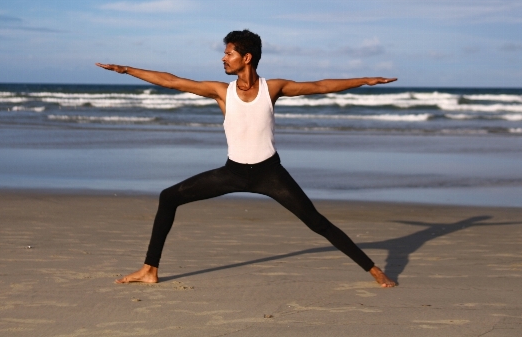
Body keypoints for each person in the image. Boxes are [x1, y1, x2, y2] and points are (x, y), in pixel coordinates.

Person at [96, 29, 398, 287]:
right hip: (233, 172)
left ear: (246, 57)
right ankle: (150, 270)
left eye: (228, 54)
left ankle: (374, 270)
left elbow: (320, 86)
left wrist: (364, 80)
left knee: (317, 222)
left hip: (271, 174)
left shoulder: (273, 88)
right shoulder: (221, 92)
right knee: (168, 197)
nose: (223, 58)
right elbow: (172, 81)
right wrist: (127, 70)